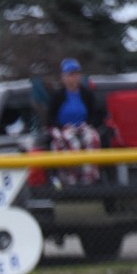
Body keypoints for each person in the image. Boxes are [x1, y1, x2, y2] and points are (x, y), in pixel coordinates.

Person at [46, 58, 105, 186]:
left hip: (82, 127)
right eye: (70, 74)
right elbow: (50, 118)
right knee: (72, 142)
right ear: (64, 77)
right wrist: (62, 127)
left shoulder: (86, 94)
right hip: (64, 129)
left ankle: (89, 179)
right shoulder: (58, 95)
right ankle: (70, 181)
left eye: (76, 74)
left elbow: (94, 115)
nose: (74, 77)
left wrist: (87, 125)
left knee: (92, 138)